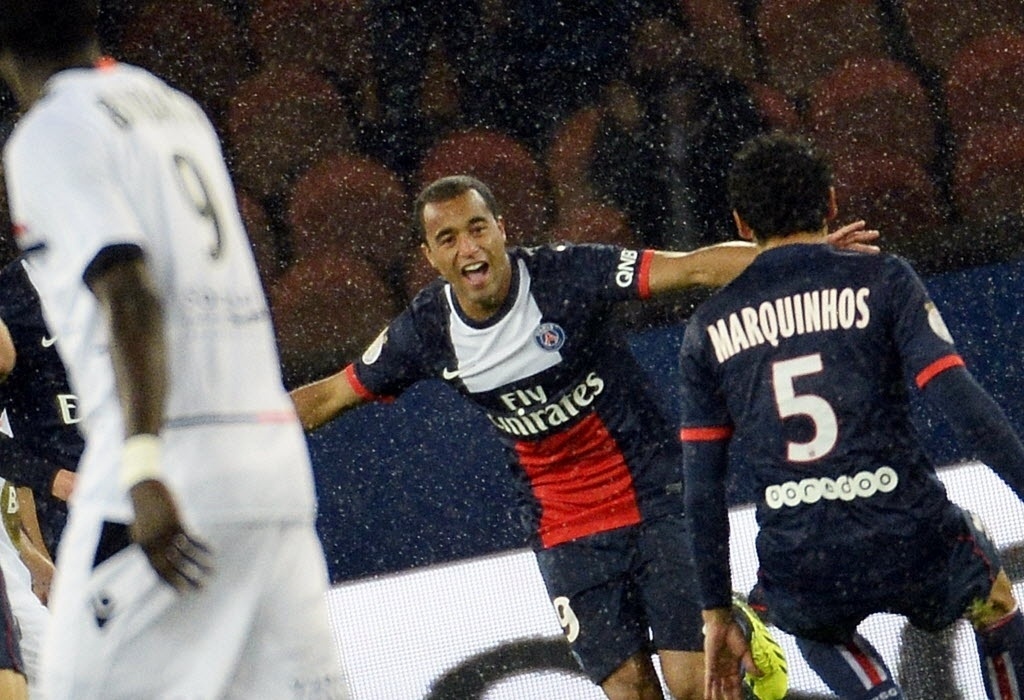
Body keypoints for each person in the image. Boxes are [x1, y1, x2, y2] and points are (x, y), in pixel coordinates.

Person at [291, 174, 877, 700]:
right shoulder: (424, 331)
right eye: (448, 239)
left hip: (654, 495)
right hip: (565, 527)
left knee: (692, 685)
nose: (468, 248)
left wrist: (804, 256)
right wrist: (222, 428)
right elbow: (327, 397)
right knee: (630, 693)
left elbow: (692, 266)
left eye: (477, 228)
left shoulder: (567, 275)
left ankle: (740, 625)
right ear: (430, 256)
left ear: (502, 228)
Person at [0, 2, 349, 698]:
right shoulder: (172, 107)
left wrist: (144, 463)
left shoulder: (49, 134)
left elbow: (129, 292)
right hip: (268, 466)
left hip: (165, 470)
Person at [679, 132, 1024, 700]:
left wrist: (715, 609)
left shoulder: (707, 328)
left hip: (804, 557)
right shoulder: (883, 278)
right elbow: (962, 404)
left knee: (810, 623)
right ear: (832, 204)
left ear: (741, 224)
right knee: (994, 600)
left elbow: (701, 490)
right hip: (907, 529)